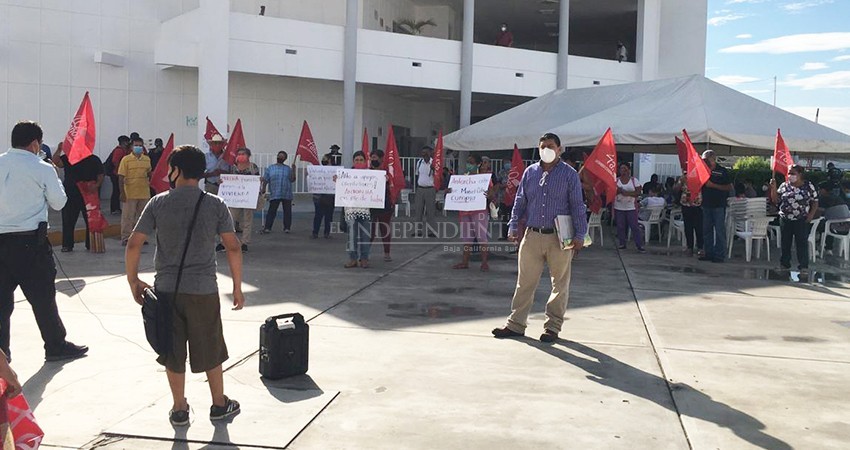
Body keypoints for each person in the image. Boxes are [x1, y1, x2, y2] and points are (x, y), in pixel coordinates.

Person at [125, 145, 244, 427]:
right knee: (211, 347)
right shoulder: (215, 204)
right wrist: (237, 287)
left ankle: (179, 409)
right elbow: (233, 247)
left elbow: (133, 243)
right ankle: (219, 404)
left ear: (176, 171)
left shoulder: (158, 203)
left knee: (172, 349)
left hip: (166, 289)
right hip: (203, 290)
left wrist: (133, 280)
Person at [0, 121, 88, 362]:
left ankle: (2, 355)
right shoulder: (42, 167)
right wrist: (55, 176)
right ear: (35, 143)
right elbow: (59, 202)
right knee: (43, 298)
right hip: (30, 244)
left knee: (1, 305)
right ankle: (55, 345)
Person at [492, 133, 587, 343]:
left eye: (550, 146)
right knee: (524, 282)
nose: (546, 149)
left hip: (559, 237)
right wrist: (513, 225)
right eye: (543, 146)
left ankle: (552, 327)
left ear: (559, 149)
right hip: (532, 235)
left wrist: (580, 234)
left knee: (559, 284)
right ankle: (516, 324)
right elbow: (520, 200)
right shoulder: (530, 172)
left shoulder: (569, 175)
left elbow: (577, 206)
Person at [52, 142, 104, 252]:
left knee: (91, 220)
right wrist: (59, 149)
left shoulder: (94, 159)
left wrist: (97, 185)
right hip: (71, 194)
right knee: (68, 220)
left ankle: (91, 244)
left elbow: (100, 174)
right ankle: (67, 245)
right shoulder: (69, 157)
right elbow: (56, 162)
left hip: (88, 194)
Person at [768, 165, 818, 273]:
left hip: (801, 219)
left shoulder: (808, 186)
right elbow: (776, 200)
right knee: (785, 242)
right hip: (785, 218)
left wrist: (811, 215)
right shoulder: (784, 186)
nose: (790, 176)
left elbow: (815, 201)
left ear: (800, 174)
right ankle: (784, 264)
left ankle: (803, 266)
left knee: (801, 243)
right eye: (789, 173)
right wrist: (773, 188)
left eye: (793, 173)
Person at [453, 154, 493, 271]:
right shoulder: (464, 178)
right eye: (468, 162)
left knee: (481, 236)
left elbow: (491, 193)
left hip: (479, 211)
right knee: (466, 238)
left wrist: (488, 194)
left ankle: (484, 262)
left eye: (471, 162)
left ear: (478, 164)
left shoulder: (484, 178)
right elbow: (456, 191)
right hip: (465, 211)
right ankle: (464, 262)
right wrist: (450, 191)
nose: (469, 165)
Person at [699, 150, 733, 263]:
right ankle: (708, 253)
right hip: (706, 204)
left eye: (706, 160)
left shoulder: (722, 171)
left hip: (718, 205)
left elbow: (728, 187)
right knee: (706, 230)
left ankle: (719, 255)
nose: (704, 162)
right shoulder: (702, 170)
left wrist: (713, 185)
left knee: (719, 230)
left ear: (712, 159)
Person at [118, 136, 152, 245]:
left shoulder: (147, 159)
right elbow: (121, 177)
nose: (138, 147)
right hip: (130, 193)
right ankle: (126, 237)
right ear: (131, 147)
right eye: (136, 145)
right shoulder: (126, 160)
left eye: (140, 146)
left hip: (144, 192)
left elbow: (149, 173)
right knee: (128, 217)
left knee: (142, 218)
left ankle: (141, 238)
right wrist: (122, 193)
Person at [228, 148, 260, 252]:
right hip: (235, 198)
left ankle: (244, 242)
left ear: (248, 156)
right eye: (239, 154)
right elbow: (228, 179)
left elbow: (256, 179)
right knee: (231, 219)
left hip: (248, 198)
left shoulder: (253, 166)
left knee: (247, 221)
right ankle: (227, 242)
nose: (241, 155)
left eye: (243, 154)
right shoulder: (232, 167)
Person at [343, 152, 372, 268]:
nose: (359, 162)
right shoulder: (347, 175)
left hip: (365, 209)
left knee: (365, 235)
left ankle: (364, 258)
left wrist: (383, 180)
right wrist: (337, 180)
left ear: (365, 161)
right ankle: (353, 258)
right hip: (351, 209)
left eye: (361, 160)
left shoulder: (370, 174)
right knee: (351, 236)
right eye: (356, 160)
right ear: (353, 161)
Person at [261, 151, 296, 235]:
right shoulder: (270, 168)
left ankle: (287, 227)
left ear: (285, 159)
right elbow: (265, 179)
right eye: (279, 156)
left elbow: (292, 179)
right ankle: (267, 227)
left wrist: (294, 170)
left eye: (282, 156)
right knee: (272, 211)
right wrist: (263, 188)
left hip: (286, 193)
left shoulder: (288, 169)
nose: (280, 157)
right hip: (275, 193)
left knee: (287, 212)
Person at [369, 150, 394, 262]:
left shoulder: (387, 172)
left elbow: (394, 185)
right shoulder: (367, 172)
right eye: (371, 158)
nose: (373, 160)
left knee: (384, 229)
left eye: (375, 157)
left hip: (384, 204)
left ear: (381, 159)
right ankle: (366, 253)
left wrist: (388, 181)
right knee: (370, 231)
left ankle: (387, 253)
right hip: (370, 204)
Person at [614, 163, 645, 252]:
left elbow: (638, 192)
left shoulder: (634, 180)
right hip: (619, 206)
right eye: (621, 168)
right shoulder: (616, 181)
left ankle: (639, 245)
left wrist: (625, 193)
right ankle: (622, 243)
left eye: (624, 168)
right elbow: (612, 192)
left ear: (628, 170)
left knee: (634, 226)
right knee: (620, 226)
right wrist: (619, 192)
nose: (622, 170)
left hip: (631, 207)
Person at [674, 175, 704, 257]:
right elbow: (676, 189)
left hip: (697, 203)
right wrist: (681, 183)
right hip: (686, 204)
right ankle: (689, 246)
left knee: (699, 226)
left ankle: (700, 247)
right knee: (688, 226)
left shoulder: (700, 176)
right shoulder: (683, 177)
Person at [412, 146, 437, 237]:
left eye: (426, 152)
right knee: (418, 211)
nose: (424, 154)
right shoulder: (419, 163)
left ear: (430, 153)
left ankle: (431, 231)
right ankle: (417, 231)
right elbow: (416, 175)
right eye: (423, 153)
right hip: (420, 189)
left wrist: (434, 169)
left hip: (430, 189)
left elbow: (438, 176)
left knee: (430, 212)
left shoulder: (434, 163)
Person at [106, 135, 131, 215]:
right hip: (116, 174)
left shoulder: (123, 150)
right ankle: (114, 208)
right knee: (116, 191)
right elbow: (115, 161)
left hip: (118, 173)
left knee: (117, 191)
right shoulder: (119, 150)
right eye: (127, 142)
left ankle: (116, 208)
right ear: (124, 142)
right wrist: (120, 171)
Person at [312, 154, 335, 239]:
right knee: (318, 215)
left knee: (329, 216)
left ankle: (327, 233)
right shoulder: (318, 170)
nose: (323, 160)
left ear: (329, 160)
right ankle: (315, 232)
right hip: (318, 197)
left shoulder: (335, 170)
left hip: (330, 197)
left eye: (325, 159)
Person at [496, 156, 513, 240]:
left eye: (508, 162)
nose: (506, 164)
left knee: (513, 217)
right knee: (504, 217)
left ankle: (512, 235)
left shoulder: (515, 172)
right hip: (503, 198)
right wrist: (503, 185)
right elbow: (498, 184)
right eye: (505, 162)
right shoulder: (501, 172)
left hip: (512, 198)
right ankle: (504, 235)